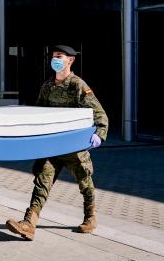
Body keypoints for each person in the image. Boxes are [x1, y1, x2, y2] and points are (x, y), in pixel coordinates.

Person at [6, 45, 108, 240]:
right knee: (42, 181)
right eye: (53, 57)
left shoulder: (78, 85)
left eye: (59, 56)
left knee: (85, 182)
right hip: (52, 145)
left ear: (70, 60)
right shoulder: (47, 86)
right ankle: (29, 223)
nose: (55, 60)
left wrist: (100, 134)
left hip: (73, 146)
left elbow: (100, 113)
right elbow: (39, 114)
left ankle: (90, 217)